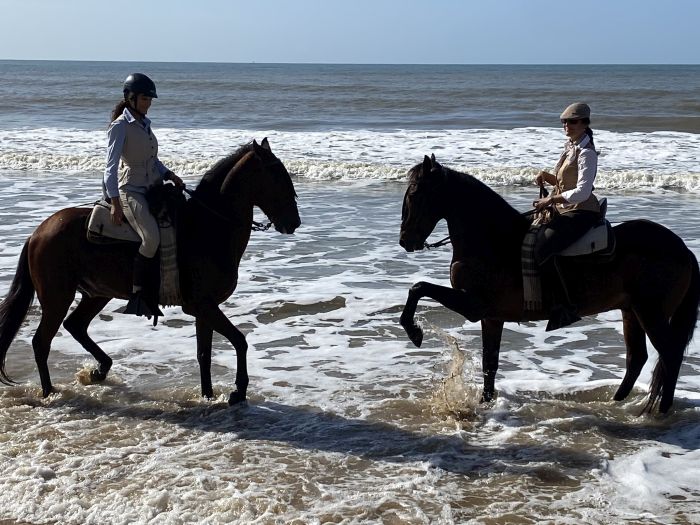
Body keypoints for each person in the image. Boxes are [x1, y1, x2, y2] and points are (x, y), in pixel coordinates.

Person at [104, 73, 184, 319]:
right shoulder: (120, 126)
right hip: (132, 191)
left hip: (154, 187)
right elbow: (111, 167)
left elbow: (152, 160)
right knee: (151, 238)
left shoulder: (144, 124)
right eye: (145, 98)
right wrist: (115, 202)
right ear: (130, 98)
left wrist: (170, 174)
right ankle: (139, 293)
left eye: (150, 99)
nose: (149, 102)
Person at [532, 102, 601, 331]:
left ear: (584, 124)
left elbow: (582, 191)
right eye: (564, 122)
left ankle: (564, 307)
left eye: (571, 122)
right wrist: (548, 177)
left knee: (543, 247)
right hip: (566, 208)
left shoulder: (587, 152)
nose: (566, 126)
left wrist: (550, 200)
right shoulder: (570, 147)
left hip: (582, 211)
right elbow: (565, 183)